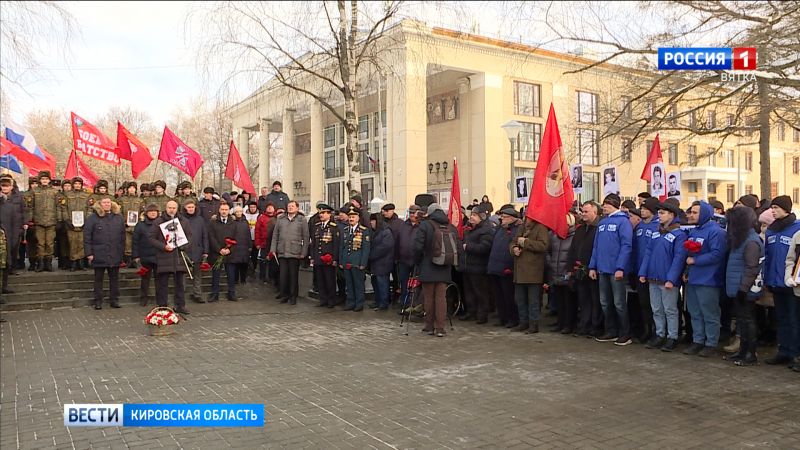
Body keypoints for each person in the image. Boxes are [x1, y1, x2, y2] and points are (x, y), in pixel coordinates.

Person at [639, 201, 688, 351]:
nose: (659, 216)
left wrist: (671, 279)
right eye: (658, 213)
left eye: (662, 213)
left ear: (672, 215)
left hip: (667, 280)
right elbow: (648, 253)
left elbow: (679, 258)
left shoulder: (679, 234)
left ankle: (672, 336)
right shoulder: (655, 232)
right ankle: (659, 334)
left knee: (670, 310)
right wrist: (643, 272)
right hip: (653, 277)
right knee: (656, 309)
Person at [683, 201, 728, 356]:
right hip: (694, 277)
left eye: (695, 212)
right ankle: (698, 340)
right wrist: (687, 270)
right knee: (695, 312)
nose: (691, 215)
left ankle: (711, 342)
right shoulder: (695, 231)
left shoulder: (717, 232)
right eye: (691, 212)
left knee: (709, 313)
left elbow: (717, 254)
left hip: (709, 278)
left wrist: (696, 261)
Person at [589, 194, 634, 346]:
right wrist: (592, 266)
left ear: (614, 205)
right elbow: (596, 246)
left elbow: (626, 246)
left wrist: (621, 267)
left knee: (619, 303)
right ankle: (611, 330)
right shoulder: (602, 223)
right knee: (605, 302)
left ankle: (625, 333)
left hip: (616, 270)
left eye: (606, 204)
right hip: (602, 269)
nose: (604, 206)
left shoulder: (623, 222)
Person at [724, 206, 764, 366]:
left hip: (745, 289)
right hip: (738, 287)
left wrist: (743, 288)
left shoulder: (751, 241)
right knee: (741, 320)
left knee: (748, 320)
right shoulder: (740, 239)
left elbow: (752, 267)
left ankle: (750, 353)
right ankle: (742, 351)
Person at [763, 195, 800, 366]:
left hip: (792, 283)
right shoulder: (771, 230)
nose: (773, 211)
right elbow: (768, 257)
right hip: (775, 282)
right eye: (772, 208)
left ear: (786, 209)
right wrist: (767, 279)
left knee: (794, 320)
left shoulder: (796, 228)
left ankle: (795, 354)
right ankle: (783, 350)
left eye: (776, 208)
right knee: (782, 319)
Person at [414, 203, 458, 337]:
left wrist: (417, 262)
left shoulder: (426, 225)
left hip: (428, 265)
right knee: (441, 297)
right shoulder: (451, 227)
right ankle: (440, 328)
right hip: (445, 266)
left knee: (429, 297)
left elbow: (417, 246)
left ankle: (429, 326)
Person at [148, 200, 192, 314]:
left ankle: (180, 305)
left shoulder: (184, 221)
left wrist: (184, 246)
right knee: (162, 284)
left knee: (180, 284)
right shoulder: (158, 221)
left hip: (179, 257)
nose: (171, 209)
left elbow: (190, 237)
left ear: (177, 209)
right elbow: (151, 238)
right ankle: (162, 306)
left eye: (174, 207)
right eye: (169, 207)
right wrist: (163, 246)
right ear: (166, 208)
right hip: (164, 256)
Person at [568, 201, 603, 337]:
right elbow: (573, 249)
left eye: (586, 211)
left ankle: (595, 327)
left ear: (595, 212)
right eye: (582, 211)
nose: (583, 214)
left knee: (595, 300)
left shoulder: (599, 228)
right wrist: (571, 267)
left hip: (593, 270)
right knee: (584, 300)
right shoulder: (580, 229)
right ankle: (584, 325)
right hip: (580, 270)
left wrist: (593, 266)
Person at [83, 198, 125, 310]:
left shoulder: (119, 218)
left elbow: (122, 238)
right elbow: (87, 237)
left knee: (114, 279)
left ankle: (114, 300)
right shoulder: (92, 218)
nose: (107, 204)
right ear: (100, 204)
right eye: (104, 203)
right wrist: (89, 253)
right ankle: (98, 301)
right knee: (98, 279)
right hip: (98, 254)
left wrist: (121, 253)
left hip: (114, 254)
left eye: (108, 203)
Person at [511, 215, 549, 334]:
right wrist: (513, 249)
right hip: (519, 271)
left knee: (533, 301)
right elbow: (513, 242)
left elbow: (543, 245)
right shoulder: (521, 227)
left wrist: (526, 242)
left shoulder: (540, 228)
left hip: (533, 271)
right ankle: (523, 322)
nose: (526, 217)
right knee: (520, 299)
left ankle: (534, 324)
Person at [487, 206, 522, 328]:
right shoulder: (499, 229)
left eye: (505, 217)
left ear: (512, 218)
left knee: (509, 296)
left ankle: (512, 318)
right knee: (499, 296)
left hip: (508, 268)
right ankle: (502, 317)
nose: (502, 220)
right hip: (495, 266)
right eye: (501, 217)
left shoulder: (517, 230)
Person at [460, 205, 495, 324]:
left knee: (480, 292)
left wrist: (469, 247)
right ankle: (471, 311)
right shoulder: (470, 229)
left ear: (482, 217)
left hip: (479, 267)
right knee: (469, 292)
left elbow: (485, 247)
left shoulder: (486, 230)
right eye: (472, 215)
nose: (472, 217)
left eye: (475, 215)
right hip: (468, 266)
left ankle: (482, 314)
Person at [633, 197, 661, 342]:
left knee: (654, 304)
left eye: (645, 209)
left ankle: (658, 331)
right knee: (643, 302)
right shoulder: (640, 226)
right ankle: (647, 330)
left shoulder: (657, 226)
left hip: (652, 271)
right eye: (641, 209)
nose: (642, 211)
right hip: (639, 270)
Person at [271, 200, 309, 305]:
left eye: (292, 206)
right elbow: (275, 235)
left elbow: (306, 237)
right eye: (289, 206)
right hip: (282, 251)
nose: (290, 208)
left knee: (293, 276)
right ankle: (285, 295)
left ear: (297, 208)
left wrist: (304, 252)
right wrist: (273, 249)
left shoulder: (301, 220)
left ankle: (293, 296)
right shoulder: (281, 219)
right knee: (283, 276)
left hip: (295, 251)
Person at [546, 213, 578, 334]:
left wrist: (570, 269)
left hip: (567, 272)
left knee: (569, 301)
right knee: (559, 300)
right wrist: (551, 262)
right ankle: (560, 322)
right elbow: (547, 251)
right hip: (555, 271)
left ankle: (569, 325)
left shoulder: (574, 236)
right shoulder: (553, 236)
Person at [23, 170, 60, 272]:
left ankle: (48, 263)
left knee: (50, 243)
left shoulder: (54, 192)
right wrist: (30, 220)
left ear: (49, 180)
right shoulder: (34, 192)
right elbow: (31, 207)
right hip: (38, 222)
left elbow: (58, 207)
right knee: (40, 243)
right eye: (42, 179)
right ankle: (41, 263)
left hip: (51, 221)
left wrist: (59, 220)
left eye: (46, 179)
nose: (44, 181)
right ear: (40, 180)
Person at [339, 205, 370, 311]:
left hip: (357, 262)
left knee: (358, 284)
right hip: (347, 261)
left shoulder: (363, 231)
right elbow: (342, 247)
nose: (351, 219)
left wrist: (363, 263)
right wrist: (341, 260)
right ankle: (350, 302)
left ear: (358, 218)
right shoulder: (346, 230)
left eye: (354, 217)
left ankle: (359, 303)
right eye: (350, 217)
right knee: (349, 284)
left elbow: (366, 249)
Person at [310, 204, 340, 308]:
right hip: (318, 258)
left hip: (328, 258)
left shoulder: (334, 227)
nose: (321, 215)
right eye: (320, 213)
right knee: (320, 280)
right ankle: (322, 299)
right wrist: (312, 257)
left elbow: (336, 244)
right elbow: (313, 243)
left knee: (329, 280)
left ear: (329, 214)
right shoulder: (317, 226)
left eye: (323, 213)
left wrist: (335, 258)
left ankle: (331, 300)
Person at [181, 199, 209, 303]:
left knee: (197, 274)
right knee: (183, 274)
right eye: (189, 207)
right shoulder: (181, 219)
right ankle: (181, 294)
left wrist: (205, 251)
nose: (191, 209)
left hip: (198, 250)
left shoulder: (200, 220)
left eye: (192, 207)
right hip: (184, 251)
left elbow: (204, 235)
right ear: (185, 208)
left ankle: (197, 294)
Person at [132, 204, 160, 306]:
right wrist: (136, 256)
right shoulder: (140, 225)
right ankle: (143, 298)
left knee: (159, 280)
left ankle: (160, 298)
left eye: (155, 211)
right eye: (151, 211)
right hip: (145, 256)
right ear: (146, 213)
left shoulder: (162, 224)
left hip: (158, 255)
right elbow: (135, 241)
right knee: (145, 280)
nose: (153, 213)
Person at [396, 205, 422, 312]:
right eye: (410, 212)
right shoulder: (404, 225)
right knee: (404, 283)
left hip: (416, 261)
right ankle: (404, 304)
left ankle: (414, 305)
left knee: (416, 284)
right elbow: (398, 241)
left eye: (414, 213)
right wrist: (397, 256)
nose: (412, 215)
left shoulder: (422, 226)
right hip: (403, 260)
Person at [0, 175, 25, 284]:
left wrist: (24, 223)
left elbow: (23, 210)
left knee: (13, 250)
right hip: (3, 230)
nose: (4, 188)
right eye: (3, 186)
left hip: (14, 228)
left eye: (7, 186)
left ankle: (11, 270)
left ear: (11, 187)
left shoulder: (17, 197)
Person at [368, 213, 395, 311]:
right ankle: (378, 301)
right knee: (375, 283)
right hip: (375, 263)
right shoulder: (374, 231)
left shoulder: (386, 232)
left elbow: (385, 247)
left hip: (383, 263)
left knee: (382, 283)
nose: (371, 222)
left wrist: (371, 255)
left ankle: (383, 303)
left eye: (373, 220)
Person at [784, 226, 800, 372]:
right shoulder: (798, 235)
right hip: (798, 289)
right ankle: (796, 356)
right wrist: (789, 276)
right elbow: (790, 260)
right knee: (795, 323)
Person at [119, 182, 143, 268]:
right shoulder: (121, 200)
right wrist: (123, 223)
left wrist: (140, 221)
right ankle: (128, 260)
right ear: (127, 189)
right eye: (130, 188)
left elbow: (143, 213)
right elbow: (119, 212)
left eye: (133, 188)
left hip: (137, 226)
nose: (132, 189)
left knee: (136, 243)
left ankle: (136, 260)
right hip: (126, 226)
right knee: (127, 243)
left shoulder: (140, 200)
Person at [254, 203, 276, 283]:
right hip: (264, 242)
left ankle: (271, 277)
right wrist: (257, 243)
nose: (270, 209)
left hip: (273, 243)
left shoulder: (276, 218)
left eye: (271, 207)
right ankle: (262, 277)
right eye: (268, 207)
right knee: (263, 261)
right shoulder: (261, 218)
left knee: (272, 262)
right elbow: (257, 231)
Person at [243, 201, 260, 279]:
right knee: (246, 255)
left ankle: (254, 269)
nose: (252, 209)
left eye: (254, 207)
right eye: (251, 207)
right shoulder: (245, 215)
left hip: (255, 238)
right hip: (247, 239)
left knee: (255, 256)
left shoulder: (259, 216)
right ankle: (246, 270)